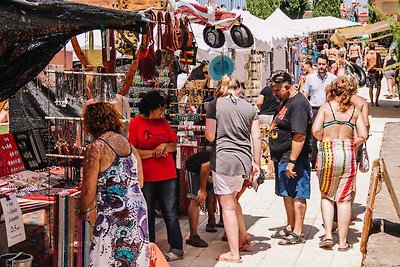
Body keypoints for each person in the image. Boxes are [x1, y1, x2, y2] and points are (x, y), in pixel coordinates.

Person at [80, 102, 149, 266]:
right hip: (137, 212)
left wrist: (81, 210)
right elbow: (140, 181)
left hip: (114, 214)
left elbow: (89, 189)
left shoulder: (96, 147)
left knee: (107, 258)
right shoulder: (129, 145)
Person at [205, 75, 261, 263]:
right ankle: (243, 235)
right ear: (238, 89)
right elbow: (257, 138)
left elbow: (210, 136)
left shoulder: (215, 105)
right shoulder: (249, 108)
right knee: (234, 200)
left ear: (221, 88)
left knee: (227, 206)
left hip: (223, 160)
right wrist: (257, 163)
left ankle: (234, 253)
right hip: (244, 160)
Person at [312, 77, 367, 251]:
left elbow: (315, 130)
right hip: (347, 153)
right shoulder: (354, 111)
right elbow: (363, 135)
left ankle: (328, 234)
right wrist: (351, 143)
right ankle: (343, 242)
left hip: (328, 153)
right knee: (344, 199)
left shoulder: (326, 108)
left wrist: (325, 139)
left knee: (327, 195)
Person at [128, 90, 184, 262]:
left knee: (170, 212)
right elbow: (133, 151)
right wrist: (153, 153)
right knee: (147, 212)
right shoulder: (135, 124)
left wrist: (165, 146)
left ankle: (176, 247)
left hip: (167, 174)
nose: (162, 111)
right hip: (147, 175)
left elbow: (175, 145)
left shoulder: (163, 122)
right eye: (160, 108)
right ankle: (148, 247)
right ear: (152, 108)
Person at [268, 70, 311, 245]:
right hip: (282, 157)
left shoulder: (298, 104)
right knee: (286, 193)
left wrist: (292, 161)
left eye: (277, 90)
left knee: (297, 194)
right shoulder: (286, 101)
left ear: (287, 86)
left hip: (294, 158)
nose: (274, 94)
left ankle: (298, 232)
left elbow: (299, 135)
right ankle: (290, 225)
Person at [302, 54, 337, 170]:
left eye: (323, 64)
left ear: (327, 64)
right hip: (314, 109)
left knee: (328, 135)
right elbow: (305, 95)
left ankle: (328, 160)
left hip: (328, 109)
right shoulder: (310, 79)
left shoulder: (333, 79)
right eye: (319, 64)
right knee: (313, 136)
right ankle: (313, 161)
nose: (321, 67)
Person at [185, 150, 218, 248]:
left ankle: (212, 219)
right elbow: (205, 167)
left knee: (214, 194)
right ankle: (193, 235)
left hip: (208, 169)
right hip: (194, 168)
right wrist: (202, 189)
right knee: (196, 199)